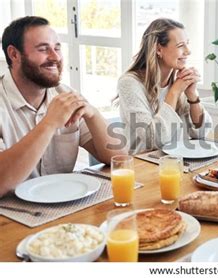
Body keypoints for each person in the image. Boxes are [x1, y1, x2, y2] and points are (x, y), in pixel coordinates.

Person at [0, 16, 126, 197]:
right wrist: (49, 123)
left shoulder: (65, 94)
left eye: (57, 48)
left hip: (65, 206)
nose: (55, 57)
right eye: (43, 49)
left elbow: (119, 159)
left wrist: (93, 114)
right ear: (14, 54)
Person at [117, 18, 212, 154]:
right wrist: (174, 92)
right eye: (180, 46)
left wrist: (192, 95)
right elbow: (153, 140)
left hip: (177, 162)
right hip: (143, 165)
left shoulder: (178, 80)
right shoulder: (130, 83)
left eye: (187, 44)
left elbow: (202, 133)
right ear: (159, 49)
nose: (188, 51)